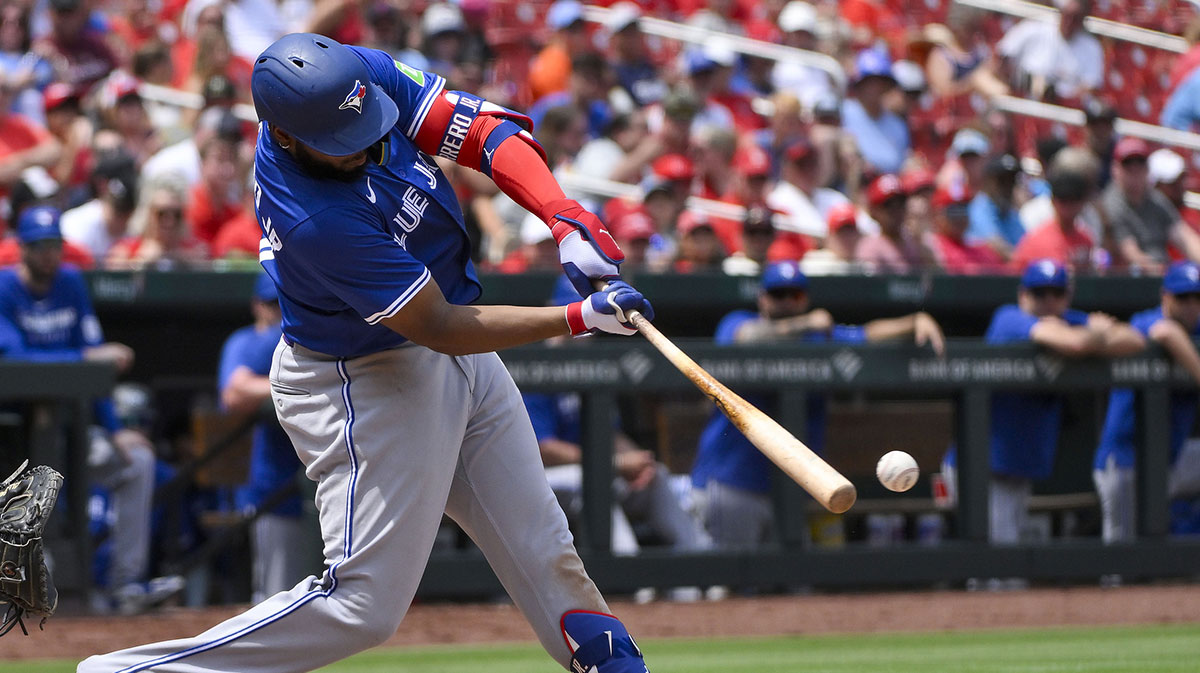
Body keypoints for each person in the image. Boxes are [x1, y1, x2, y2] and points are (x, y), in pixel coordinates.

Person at [79, 33, 655, 673]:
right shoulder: (312, 217)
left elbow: (484, 134)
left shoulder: (352, 75)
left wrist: (562, 213)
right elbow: (436, 323)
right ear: (289, 137)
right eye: (340, 142)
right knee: (364, 605)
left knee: (546, 550)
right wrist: (575, 317)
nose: (361, 146)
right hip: (365, 378)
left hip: (451, 353)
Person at [0, 205, 183, 614]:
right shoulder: (4, 288)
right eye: (40, 246)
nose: (49, 254)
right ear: (22, 248)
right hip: (14, 444)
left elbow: (94, 374)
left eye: (54, 245)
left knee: (137, 461)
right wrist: (84, 355)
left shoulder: (71, 283)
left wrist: (115, 428)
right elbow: (14, 357)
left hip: (74, 430)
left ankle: (123, 586)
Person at [691, 261, 945, 550]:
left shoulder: (817, 337)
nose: (787, 302)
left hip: (789, 490)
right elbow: (747, 338)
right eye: (778, 294)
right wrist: (805, 322)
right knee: (730, 584)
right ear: (762, 298)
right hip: (731, 483)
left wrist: (913, 321)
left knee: (790, 585)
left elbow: (867, 334)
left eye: (795, 295)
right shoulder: (736, 321)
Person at [943, 260, 1144, 545]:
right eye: (1039, 293)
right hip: (977, 466)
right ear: (1023, 295)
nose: (1048, 301)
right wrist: (1097, 335)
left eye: (1056, 293)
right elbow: (1073, 344)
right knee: (1000, 571)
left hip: (1013, 466)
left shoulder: (1070, 320)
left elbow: (1134, 340)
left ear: (1067, 295)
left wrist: (1087, 336)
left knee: (1004, 570)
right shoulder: (1009, 318)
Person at [219, 273, 312, 602]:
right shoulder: (250, 342)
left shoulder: (303, 334)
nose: (280, 310)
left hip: (314, 482)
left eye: (285, 301)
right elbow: (234, 393)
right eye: (273, 303)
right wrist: (294, 388)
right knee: (277, 594)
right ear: (257, 305)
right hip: (272, 485)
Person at [1094, 262, 1200, 543]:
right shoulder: (1146, 320)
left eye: (1197, 298)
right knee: (1121, 554)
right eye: (1183, 298)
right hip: (1124, 459)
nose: (1191, 305)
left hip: (1170, 458)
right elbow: (1165, 332)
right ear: (1165, 297)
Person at [1101, 138, 1200, 273]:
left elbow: (1184, 237)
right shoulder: (1111, 203)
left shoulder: (1155, 199)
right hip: (1132, 281)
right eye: (1128, 166)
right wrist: (1166, 275)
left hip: (1161, 274)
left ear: (1147, 169)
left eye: (1140, 165)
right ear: (1115, 169)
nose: (1135, 172)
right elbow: (1130, 253)